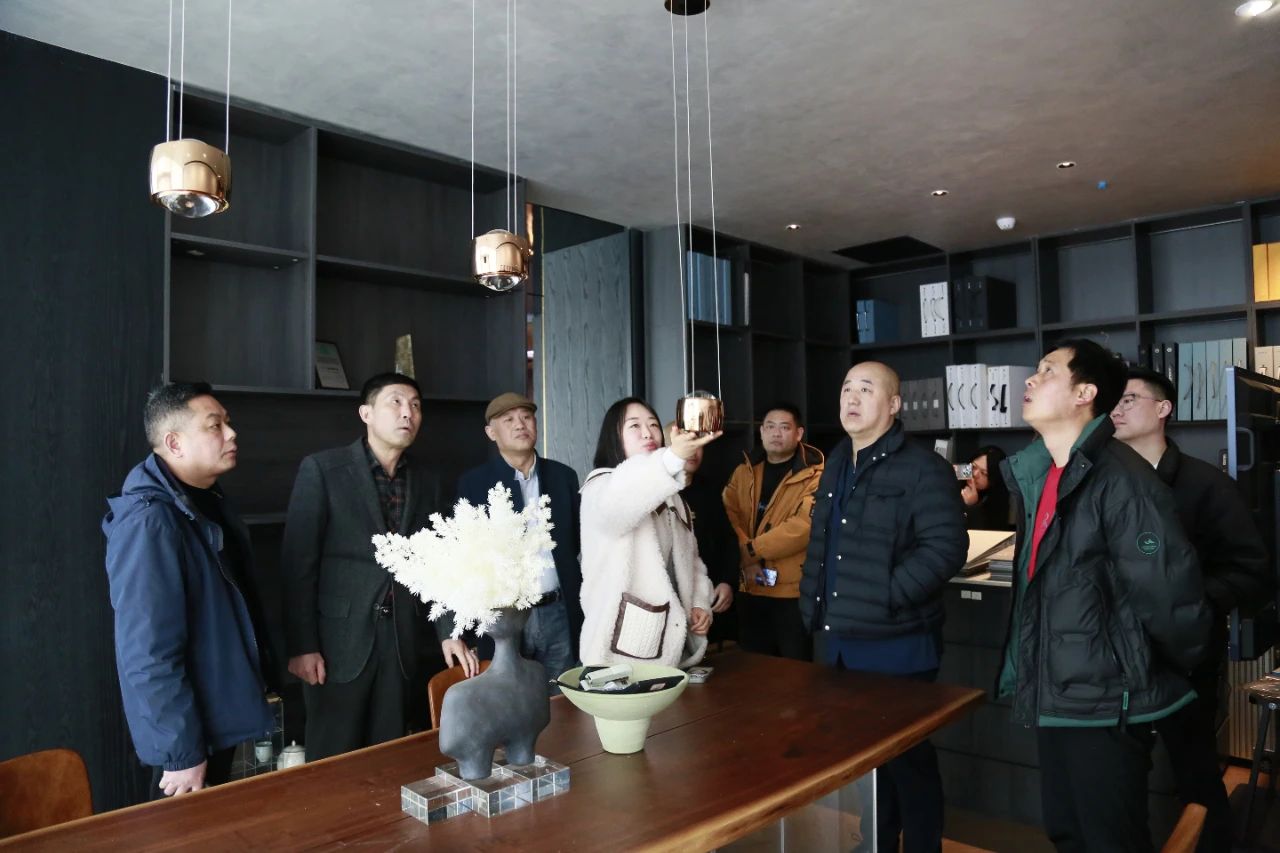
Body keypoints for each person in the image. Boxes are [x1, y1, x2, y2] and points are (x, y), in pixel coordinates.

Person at [998, 340, 1211, 853]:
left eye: (1047, 371)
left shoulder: (1122, 480)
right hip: (1055, 693)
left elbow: (1170, 596)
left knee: (1110, 841)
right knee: (1068, 833)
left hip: (1107, 702)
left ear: (1085, 393)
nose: (1030, 380)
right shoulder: (1042, 474)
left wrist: (1156, 670)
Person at [799, 361, 968, 853]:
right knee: (866, 758)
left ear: (894, 405)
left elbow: (945, 549)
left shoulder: (922, 467)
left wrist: (886, 595)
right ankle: (875, 841)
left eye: (866, 389)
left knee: (907, 759)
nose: (852, 397)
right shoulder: (837, 461)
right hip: (840, 640)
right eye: (846, 388)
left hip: (898, 643)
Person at [1112, 365, 1270, 853]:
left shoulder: (1206, 484)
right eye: (1113, 400)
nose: (1116, 409)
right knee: (1120, 775)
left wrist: (1193, 605)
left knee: (1195, 769)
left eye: (1129, 399)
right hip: (1117, 656)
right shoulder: (1106, 481)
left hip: (1186, 655)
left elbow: (1251, 568)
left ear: (1163, 409)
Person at [103, 382, 274, 799]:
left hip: (213, 716)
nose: (231, 433)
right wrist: (180, 752)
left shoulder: (202, 499)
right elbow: (147, 650)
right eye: (215, 425)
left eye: (228, 422)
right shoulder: (150, 521)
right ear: (174, 443)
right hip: (189, 739)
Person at [282, 373, 445, 761]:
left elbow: (440, 563)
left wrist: (447, 632)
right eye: (396, 402)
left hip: (402, 639)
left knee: (390, 755)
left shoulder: (427, 480)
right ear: (366, 413)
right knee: (333, 757)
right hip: (337, 642)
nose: (408, 413)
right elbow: (297, 564)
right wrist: (302, 646)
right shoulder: (323, 469)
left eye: (415, 406)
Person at [447, 392, 582, 690]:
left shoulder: (563, 476)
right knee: (509, 700)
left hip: (557, 610)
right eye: (508, 420)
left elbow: (575, 542)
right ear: (491, 432)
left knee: (561, 699)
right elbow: (462, 559)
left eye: (527, 417)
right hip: (504, 617)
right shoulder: (473, 483)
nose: (520, 424)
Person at [578, 397, 718, 668]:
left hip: (675, 639)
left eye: (653, 424)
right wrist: (672, 459)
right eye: (634, 426)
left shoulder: (673, 495)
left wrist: (700, 603)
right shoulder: (599, 485)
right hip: (620, 644)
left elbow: (692, 561)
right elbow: (618, 506)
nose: (648, 433)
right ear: (614, 436)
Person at [723, 402, 823, 660]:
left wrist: (749, 552)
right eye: (770, 427)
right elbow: (728, 514)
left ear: (799, 433)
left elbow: (802, 527)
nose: (776, 433)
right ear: (761, 432)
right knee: (753, 669)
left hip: (791, 593)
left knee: (795, 671)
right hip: (749, 587)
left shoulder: (816, 475)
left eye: (784, 427)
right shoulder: (744, 471)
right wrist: (747, 557)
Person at [674, 431, 737, 646]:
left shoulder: (709, 488)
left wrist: (727, 581)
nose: (693, 452)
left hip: (710, 595)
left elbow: (728, 539)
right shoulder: (659, 492)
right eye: (687, 445)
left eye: (698, 445)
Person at [960, 445, 1012, 530]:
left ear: (994, 479)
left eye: (984, 473)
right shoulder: (955, 483)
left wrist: (972, 506)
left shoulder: (997, 501)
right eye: (974, 467)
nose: (975, 474)